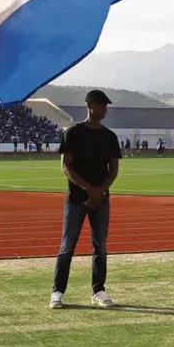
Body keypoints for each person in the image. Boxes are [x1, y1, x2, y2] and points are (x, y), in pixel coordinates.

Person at [50, 90, 120, 310]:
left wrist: (99, 192)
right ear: (90, 105)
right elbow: (66, 167)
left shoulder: (110, 136)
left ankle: (98, 291)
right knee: (67, 247)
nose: (105, 109)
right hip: (76, 199)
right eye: (102, 105)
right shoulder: (73, 133)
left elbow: (114, 170)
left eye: (106, 105)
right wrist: (90, 190)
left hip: (101, 200)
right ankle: (57, 292)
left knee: (100, 247)